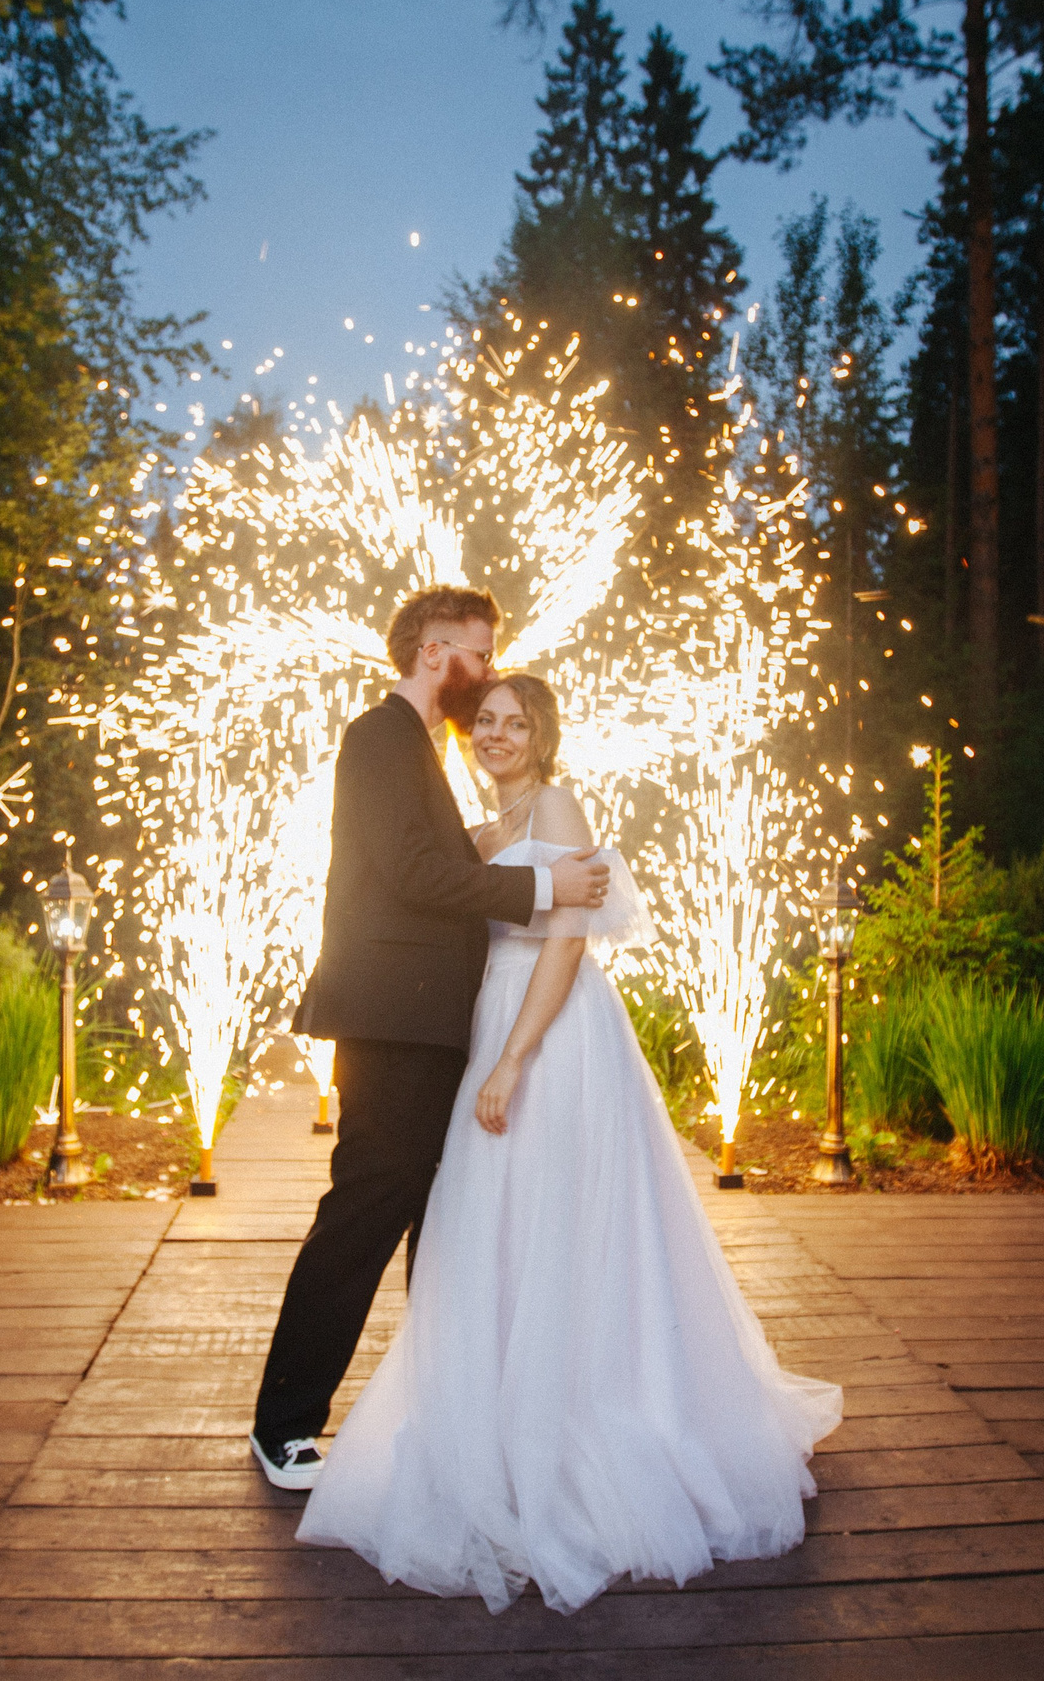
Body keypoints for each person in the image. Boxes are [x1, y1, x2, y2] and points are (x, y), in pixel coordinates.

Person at [294, 673, 842, 1614]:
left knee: (559, 1216)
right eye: (489, 723)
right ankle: (504, 1417)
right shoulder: (485, 829)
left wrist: (511, 1059)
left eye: (518, 723)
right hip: (492, 1023)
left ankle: (587, 1415)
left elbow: (566, 940)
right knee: (493, 1223)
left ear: (544, 736)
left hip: (549, 1035)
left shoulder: (555, 803)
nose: (499, 735)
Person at [250, 586, 612, 1492]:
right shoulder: (378, 737)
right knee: (368, 1208)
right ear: (434, 649)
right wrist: (542, 890)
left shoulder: (421, 752)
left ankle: (443, 1412)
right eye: (479, 655)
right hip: (394, 1019)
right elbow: (412, 873)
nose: (487, 673)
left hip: (434, 1021)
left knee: (435, 1221)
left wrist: (500, 841)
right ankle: (285, 1423)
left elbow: (436, 856)